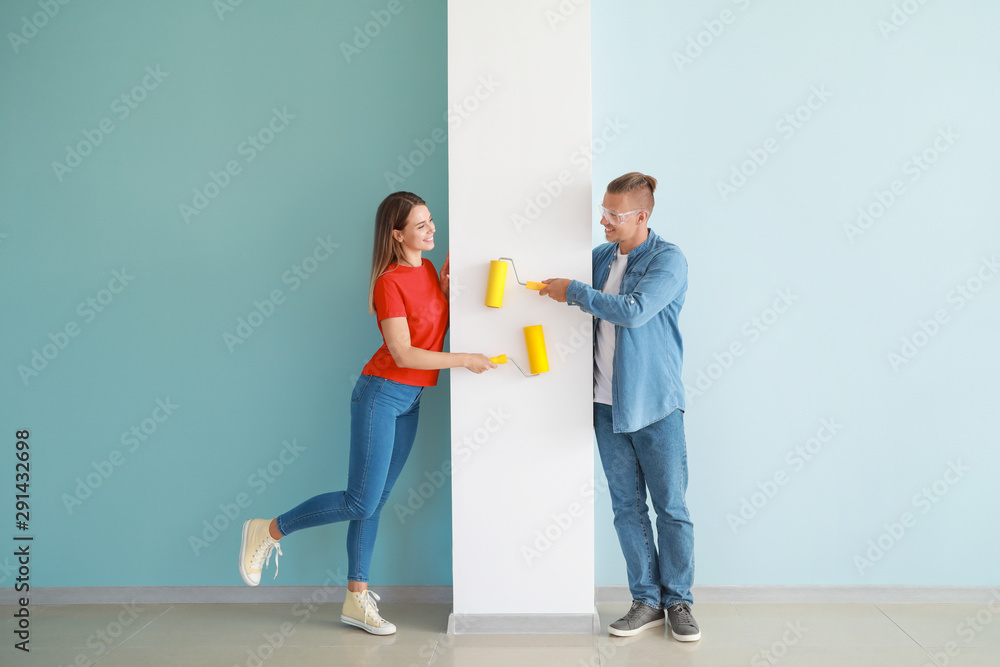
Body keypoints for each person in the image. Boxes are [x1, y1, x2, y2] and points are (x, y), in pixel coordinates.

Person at [238, 191, 496, 635]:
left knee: (373, 501)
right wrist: (465, 358)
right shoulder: (388, 282)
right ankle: (268, 531)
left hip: (410, 400)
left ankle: (357, 600)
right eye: (421, 225)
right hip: (381, 394)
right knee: (360, 499)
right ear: (397, 236)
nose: (432, 229)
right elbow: (403, 352)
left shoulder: (429, 269)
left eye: (430, 220)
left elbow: (429, 333)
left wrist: (448, 296)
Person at [539, 172, 699, 642]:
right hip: (605, 406)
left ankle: (679, 602)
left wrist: (573, 291)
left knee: (670, 507)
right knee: (626, 506)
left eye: (614, 214)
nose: (604, 221)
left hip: (655, 405)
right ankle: (645, 600)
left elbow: (632, 310)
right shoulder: (601, 258)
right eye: (603, 211)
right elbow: (562, 281)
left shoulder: (668, 260)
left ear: (641, 216)